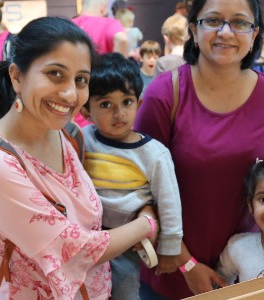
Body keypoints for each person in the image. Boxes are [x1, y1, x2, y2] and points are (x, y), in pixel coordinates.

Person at [134, 0, 264, 298]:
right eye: (213, 20)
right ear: (194, 29)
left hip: (246, 270)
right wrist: (187, 265)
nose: (225, 32)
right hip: (171, 270)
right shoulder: (164, 94)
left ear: (254, 34)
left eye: (240, 22)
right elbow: (138, 190)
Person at [0, 17, 156, 299]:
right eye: (55, 74)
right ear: (17, 76)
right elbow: (75, 250)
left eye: (81, 80)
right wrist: (147, 224)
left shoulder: (66, 134)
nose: (70, 94)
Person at [80, 53, 183, 300]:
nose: (119, 114)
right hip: (87, 240)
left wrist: (170, 249)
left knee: (125, 294)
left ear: (138, 102)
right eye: (105, 104)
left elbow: (168, 202)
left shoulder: (154, 153)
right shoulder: (82, 139)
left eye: (126, 102)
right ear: (85, 109)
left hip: (128, 244)